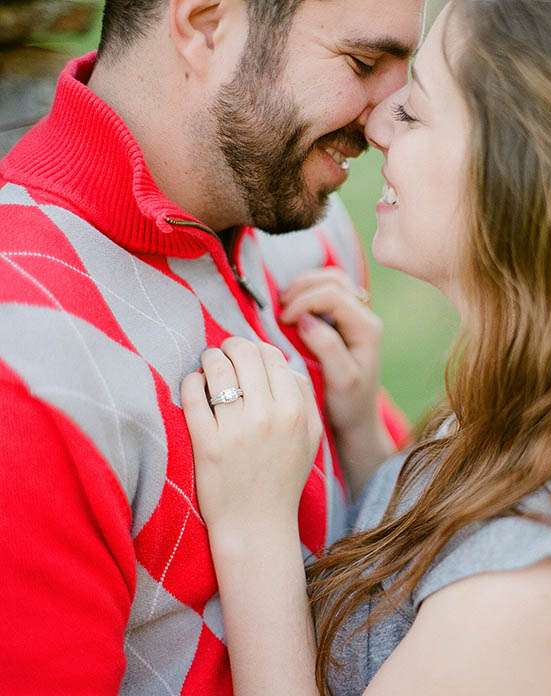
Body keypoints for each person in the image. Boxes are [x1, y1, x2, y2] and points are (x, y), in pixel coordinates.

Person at [183, 0, 551, 694]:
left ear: (523, 179)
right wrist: (365, 444)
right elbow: (436, 578)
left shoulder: (549, 588)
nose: (377, 123)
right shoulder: (548, 415)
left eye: (415, 111)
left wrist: (255, 536)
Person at [0, 0, 422, 693]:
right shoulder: (26, 366)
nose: (384, 122)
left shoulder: (314, 231)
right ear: (202, 25)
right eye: (364, 64)